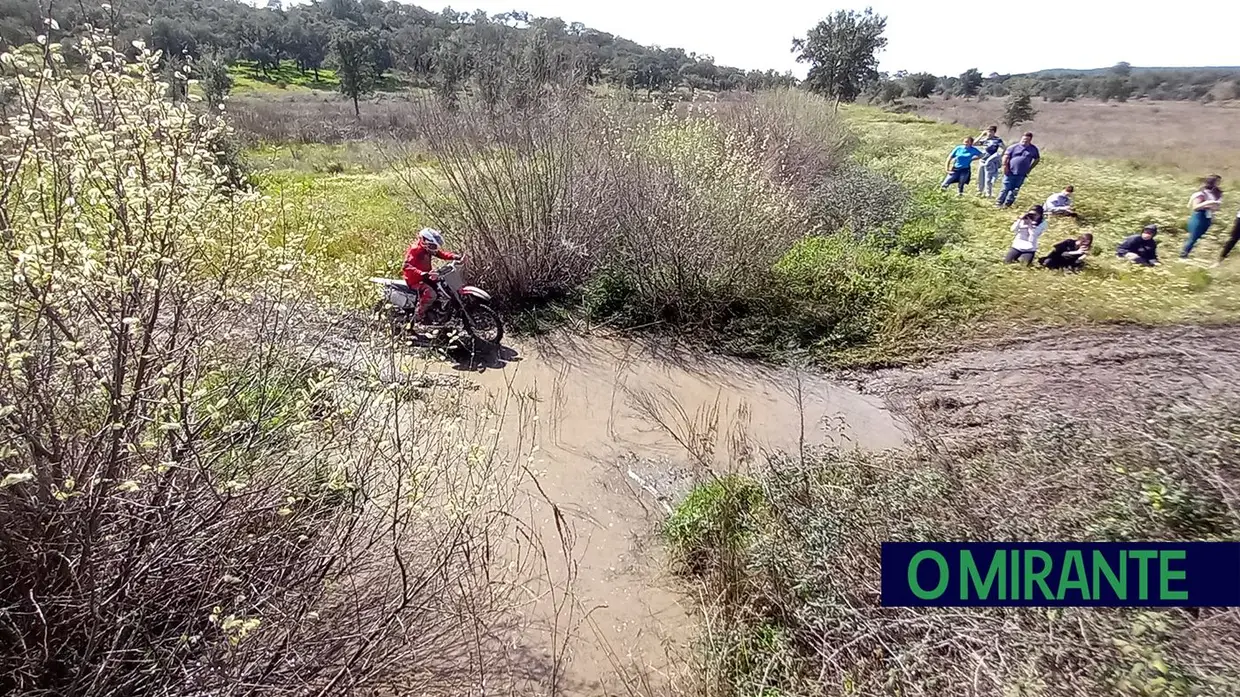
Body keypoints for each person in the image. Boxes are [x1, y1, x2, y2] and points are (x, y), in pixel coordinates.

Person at [402, 227, 462, 323]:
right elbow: (406, 266)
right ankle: (418, 315)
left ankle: (440, 311)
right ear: (424, 241)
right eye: (432, 246)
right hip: (415, 280)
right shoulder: (415, 250)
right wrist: (421, 273)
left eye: (435, 246)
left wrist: (454, 256)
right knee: (431, 293)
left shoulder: (427, 248)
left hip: (426, 276)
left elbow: (440, 254)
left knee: (443, 286)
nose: (434, 249)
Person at [1181, 175, 1223, 258]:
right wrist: (1208, 203)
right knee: (1194, 236)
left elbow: (1216, 207)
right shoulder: (1201, 194)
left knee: (1199, 236)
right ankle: (1183, 254)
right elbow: (1196, 207)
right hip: (1199, 216)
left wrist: (1212, 205)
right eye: (1217, 182)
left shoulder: (1216, 193)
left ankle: (1188, 253)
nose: (1218, 184)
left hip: (1208, 216)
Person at [996, 132, 1040, 208]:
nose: (1024, 141)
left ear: (1030, 140)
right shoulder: (1013, 147)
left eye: (1027, 140)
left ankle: (1008, 204)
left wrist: (1030, 168)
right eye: (1023, 139)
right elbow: (1005, 157)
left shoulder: (1033, 149)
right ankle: (999, 203)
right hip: (1010, 171)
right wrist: (1005, 167)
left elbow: (1037, 159)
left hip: (1022, 173)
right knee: (1005, 188)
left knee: (1015, 189)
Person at [975, 125, 1006, 198]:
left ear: (994, 132)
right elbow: (974, 143)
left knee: (988, 178)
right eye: (988, 131)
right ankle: (980, 191)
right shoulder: (984, 140)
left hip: (991, 162)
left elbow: (1004, 148)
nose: (989, 133)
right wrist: (982, 135)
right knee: (981, 177)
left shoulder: (997, 140)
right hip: (983, 160)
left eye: (991, 132)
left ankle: (988, 193)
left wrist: (1000, 156)